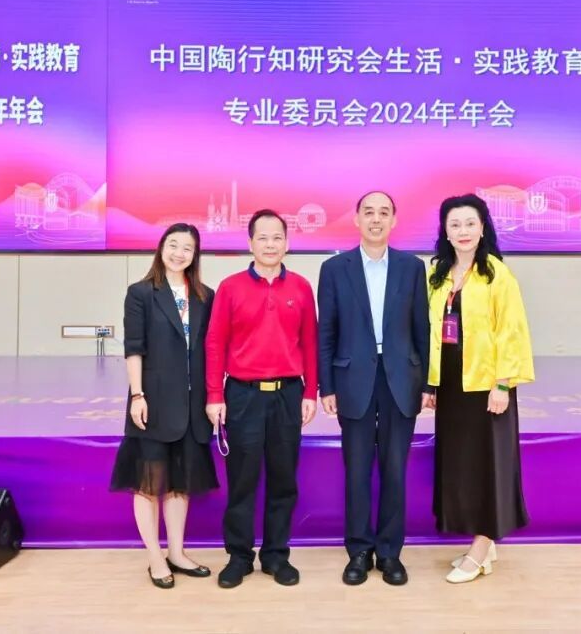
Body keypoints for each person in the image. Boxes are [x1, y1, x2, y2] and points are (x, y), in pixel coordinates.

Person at [317, 191, 430, 586]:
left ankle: (389, 552)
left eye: (384, 213)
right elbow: (326, 332)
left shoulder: (412, 267)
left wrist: (428, 383)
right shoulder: (335, 269)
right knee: (357, 470)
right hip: (353, 380)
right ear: (357, 219)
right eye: (369, 212)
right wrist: (326, 386)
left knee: (395, 469)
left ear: (394, 220)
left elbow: (422, 329)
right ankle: (359, 551)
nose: (376, 219)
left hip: (401, 379)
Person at [205, 209, 319, 589]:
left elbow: (310, 342)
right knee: (242, 480)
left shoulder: (301, 287)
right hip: (243, 396)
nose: (270, 245)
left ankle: (275, 555)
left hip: (288, 395)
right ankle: (239, 556)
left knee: (284, 480)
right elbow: (215, 343)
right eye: (263, 238)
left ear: (287, 243)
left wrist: (310, 391)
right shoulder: (230, 287)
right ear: (250, 243)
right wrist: (215, 395)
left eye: (277, 238)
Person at [426, 193, 535, 584]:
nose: (463, 231)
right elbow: (430, 332)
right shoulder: (437, 275)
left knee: (489, 464)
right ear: (445, 231)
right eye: (455, 224)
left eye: (470, 223)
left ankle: (480, 547)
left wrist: (503, 384)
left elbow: (512, 332)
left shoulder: (496, 275)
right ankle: (484, 545)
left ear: (483, 227)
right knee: (463, 465)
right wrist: (430, 382)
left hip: (488, 384)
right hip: (452, 385)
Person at [110, 223, 217, 589]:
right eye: (173, 245)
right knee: (148, 484)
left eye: (187, 248)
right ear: (161, 248)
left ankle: (176, 552)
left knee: (179, 485)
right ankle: (155, 557)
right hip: (153, 403)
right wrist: (137, 395)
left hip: (192, 407)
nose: (178, 253)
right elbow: (134, 348)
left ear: (195, 255)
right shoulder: (141, 293)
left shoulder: (205, 296)